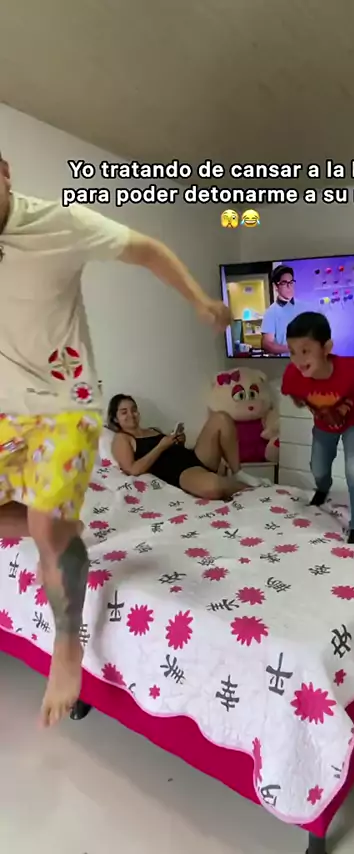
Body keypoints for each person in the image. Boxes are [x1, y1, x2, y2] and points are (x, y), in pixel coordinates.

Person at [0, 151, 230, 727]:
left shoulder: (57, 224)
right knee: (45, 525)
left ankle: (67, 648)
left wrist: (200, 300)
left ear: (5, 173)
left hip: (66, 404)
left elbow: (146, 249)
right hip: (7, 409)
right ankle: (58, 529)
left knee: (47, 526)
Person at [281, 312, 354, 543]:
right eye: (292, 352)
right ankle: (323, 488)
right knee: (318, 468)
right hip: (323, 425)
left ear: (326, 348)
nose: (298, 360)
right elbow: (292, 393)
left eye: (305, 351)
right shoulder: (293, 375)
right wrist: (299, 400)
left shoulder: (350, 369)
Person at [108, 395, 264, 497]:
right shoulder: (122, 438)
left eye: (134, 410)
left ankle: (238, 472)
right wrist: (161, 446)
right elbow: (133, 469)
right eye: (124, 412)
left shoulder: (153, 430)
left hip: (193, 457)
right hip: (181, 473)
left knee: (221, 418)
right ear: (115, 418)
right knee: (214, 488)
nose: (131, 414)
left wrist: (178, 441)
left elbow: (171, 451)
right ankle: (248, 488)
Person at [261, 265, 305, 355]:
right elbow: (267, 344)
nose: (289, 286)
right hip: (284, 361)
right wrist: (292, 348)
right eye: (284, 283)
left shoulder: (304, 307)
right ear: (275, 286)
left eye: (291, 282)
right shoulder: (271, 312)